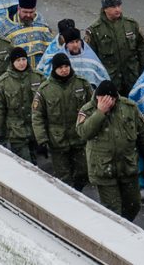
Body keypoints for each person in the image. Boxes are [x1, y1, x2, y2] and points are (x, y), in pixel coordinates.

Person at [77, 80, 144, 220]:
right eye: (104, 98)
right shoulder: (87, 110)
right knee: (113, 211)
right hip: (104, 168)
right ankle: (119, 235)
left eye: (111, 99)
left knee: (134, 204)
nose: (108, 102)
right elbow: (83, 132)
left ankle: (125, 226)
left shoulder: (129, 107)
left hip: (127, 166)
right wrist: (100, 112)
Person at [32, 53, 92, 191]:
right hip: (57, 141)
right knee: (64, 178)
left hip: (79, 138)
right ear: (54, 69)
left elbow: (93, 107)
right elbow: (37, 116)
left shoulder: (82, 84)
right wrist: (42, 140)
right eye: (60, 67)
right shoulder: (45, 90)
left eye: (66, 66)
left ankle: (78, 190)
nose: (64, 70)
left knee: (83, 172)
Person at [85, 0, 144, 95]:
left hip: (132, 78)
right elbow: (91, 59)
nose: (117, 9)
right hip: (110, 80)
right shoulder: (95, 30)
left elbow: (142, 50)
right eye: (113, 6)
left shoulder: (131, 25)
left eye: (119, 5)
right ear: (105, 8)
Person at [0, 47, 45, 163]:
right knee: (26, 164)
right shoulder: (3, 82)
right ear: (12, 63)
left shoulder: (38, 77)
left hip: (35, 130)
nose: (22, 63)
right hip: (16, 131)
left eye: (23, 59)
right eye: (18, 61)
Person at [0, 0, 54, 69]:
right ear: (18, 9)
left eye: (31, 12)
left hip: (40, 75)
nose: (28, 15)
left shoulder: (42, 24)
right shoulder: (6, 27)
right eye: (25, 12)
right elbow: (2, 57)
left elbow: (51, 51)